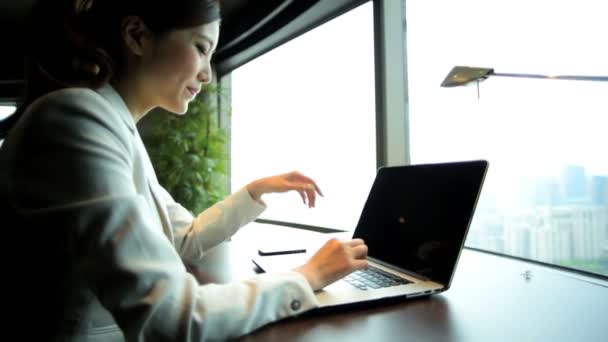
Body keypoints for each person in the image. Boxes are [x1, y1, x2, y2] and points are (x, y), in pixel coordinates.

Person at [0, 0, 368, 340]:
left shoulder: (112, 127)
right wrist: (306, 277)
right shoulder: (77, 118)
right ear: (137, 36)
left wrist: (255, 191)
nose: (208, 74)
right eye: (201, 48)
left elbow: (184, 238)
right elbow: (171, 316)